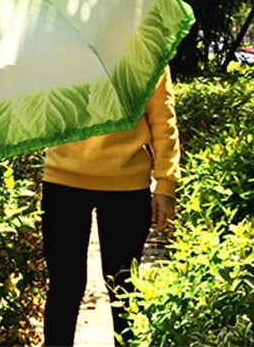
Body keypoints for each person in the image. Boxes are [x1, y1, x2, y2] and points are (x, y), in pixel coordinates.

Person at [41, 66, 180, 346]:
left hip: (126, 185)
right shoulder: (58, 39)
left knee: (124, 287)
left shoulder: (145, 44)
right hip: (62, 181)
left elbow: (163, 117)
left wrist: (166, 184)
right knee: (64, 287)